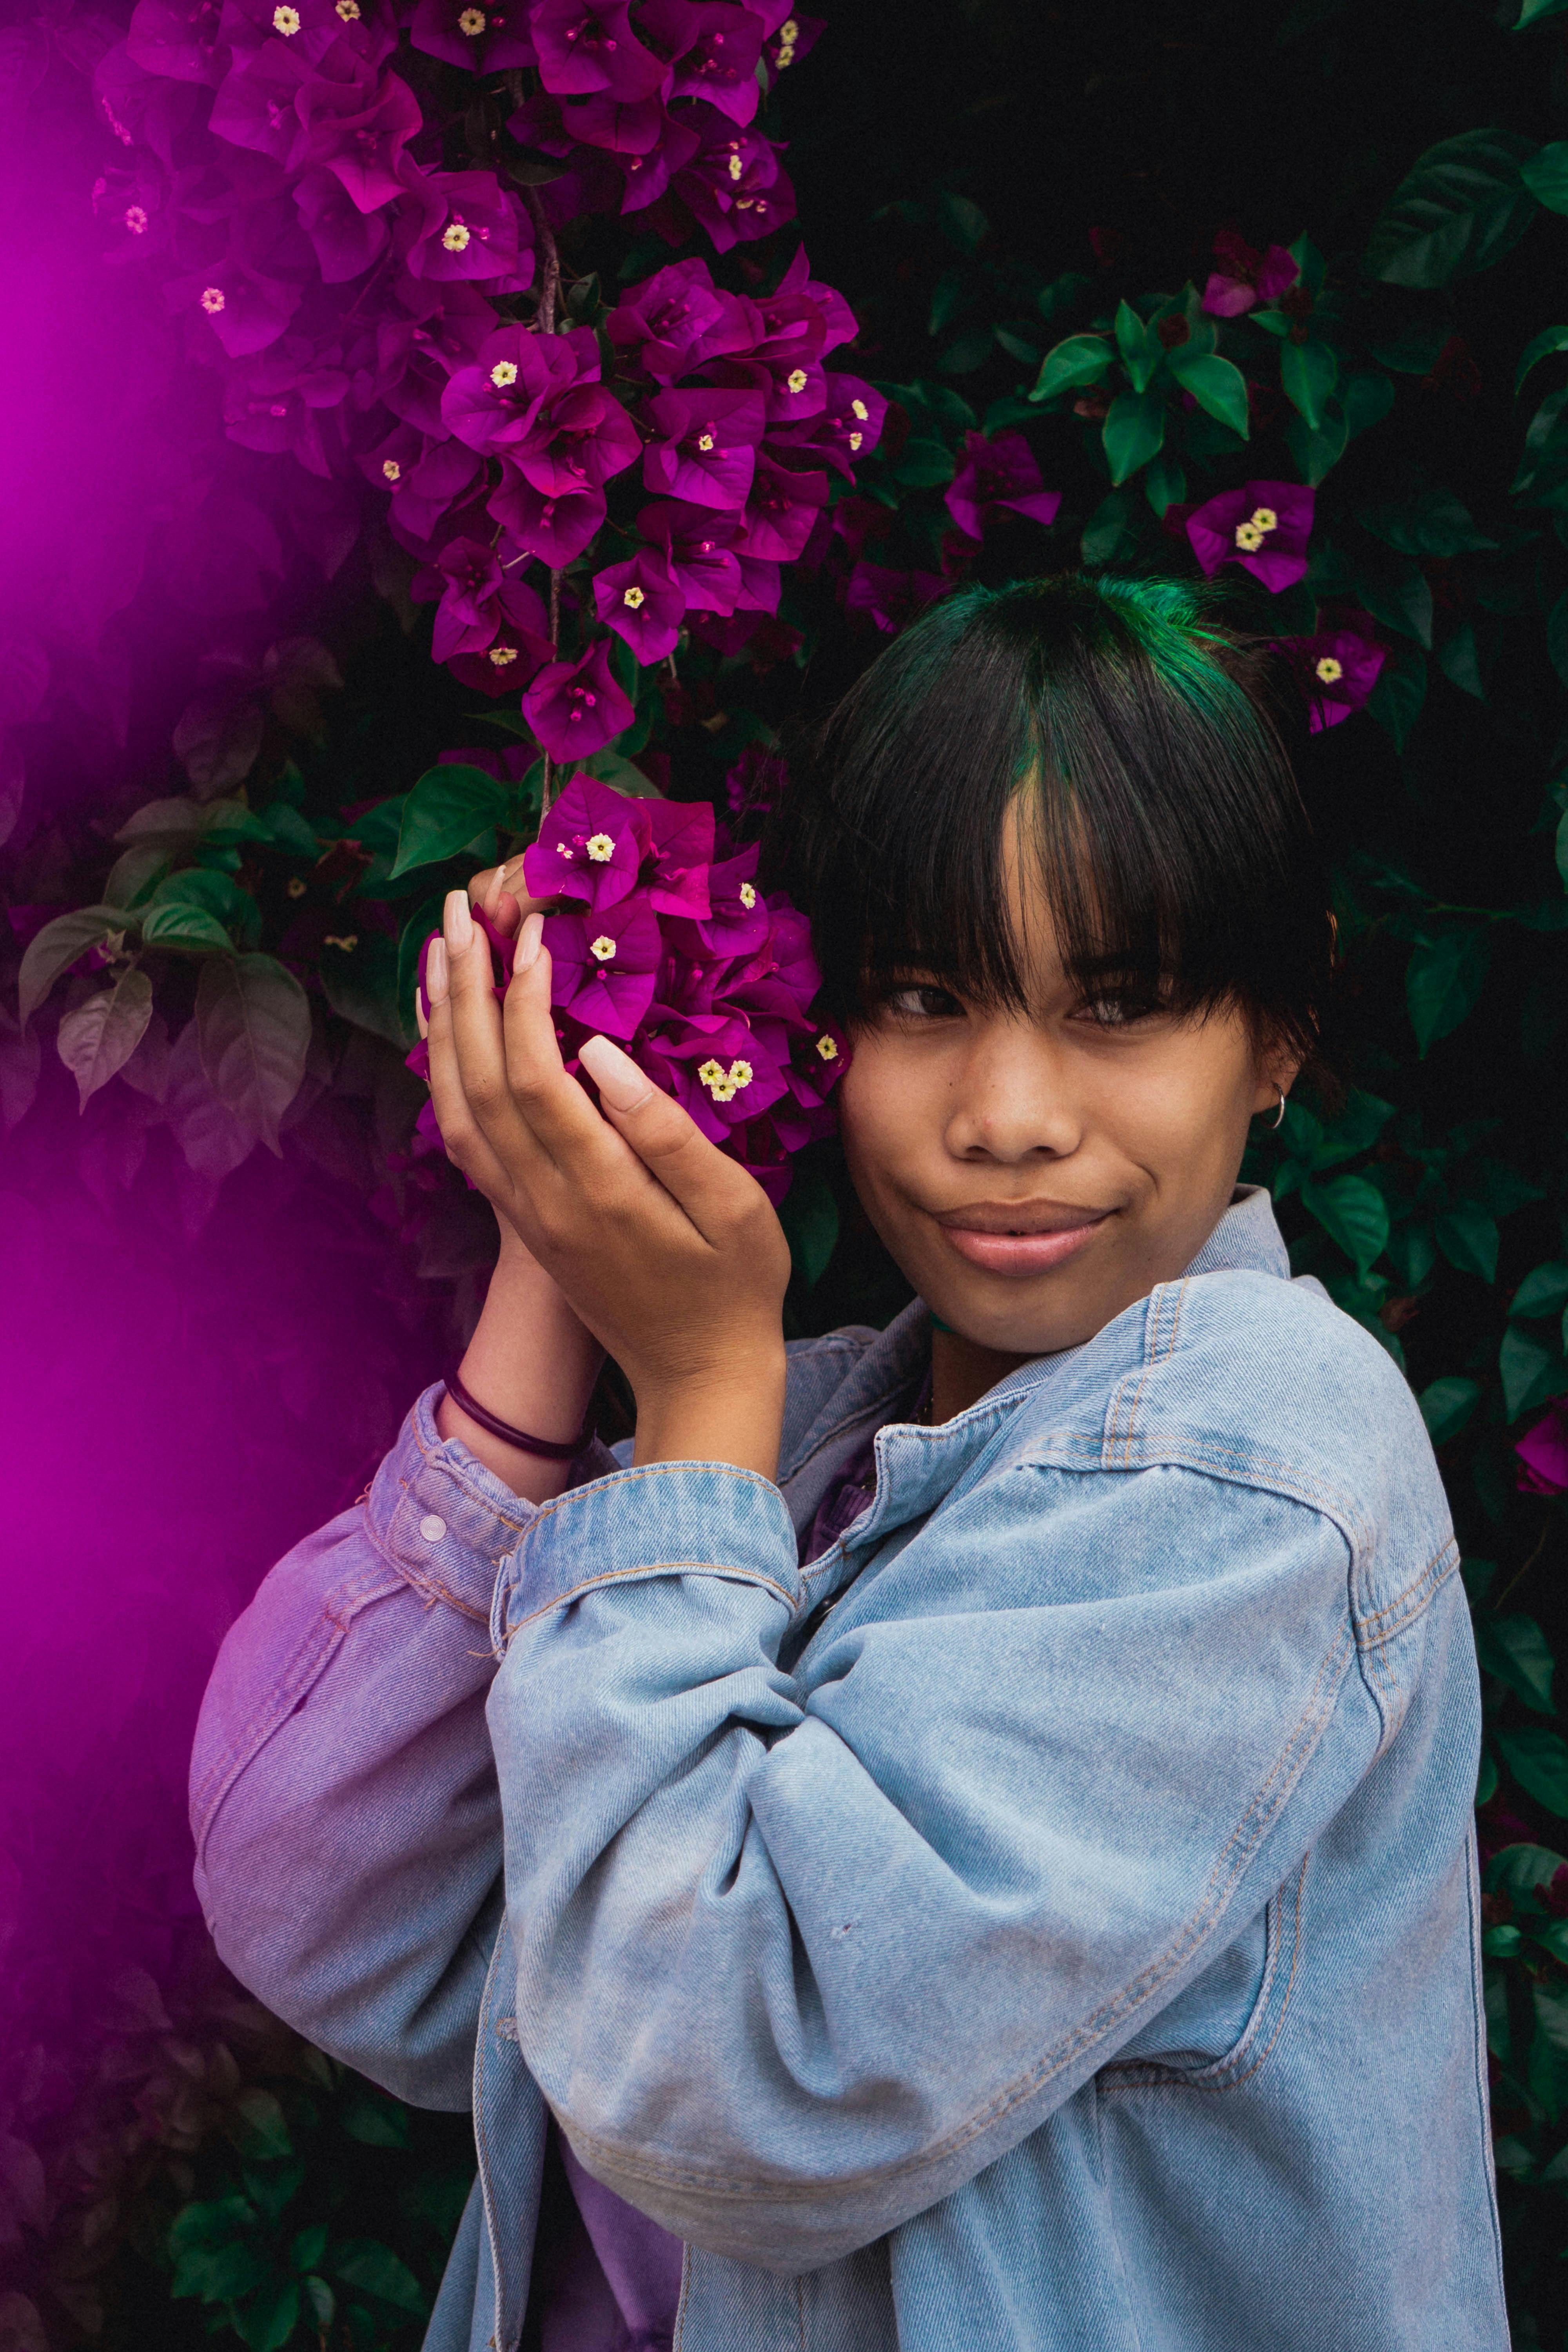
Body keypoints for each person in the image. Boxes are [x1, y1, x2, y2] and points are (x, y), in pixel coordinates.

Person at [190, 574, 1506, 2352]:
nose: (1011, 1116)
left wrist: (696, 1389)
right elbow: (337, 1912)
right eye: (924, 996)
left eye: (1120, 1005)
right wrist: (556, 1254)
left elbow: (726, 2087)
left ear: (1280, 1032)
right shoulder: (799, 1451)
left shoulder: (1253, 1457)